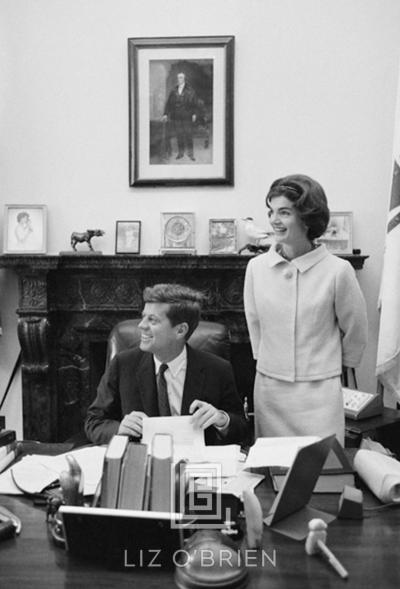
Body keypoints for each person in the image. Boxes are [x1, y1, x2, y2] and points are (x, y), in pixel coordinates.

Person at [243, 174, 368, 444]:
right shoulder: (256, 268)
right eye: (272, 211)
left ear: (307, 217)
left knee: (324, 475)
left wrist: (329, 367)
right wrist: (269, 361)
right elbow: (254, 323)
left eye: (284, 212)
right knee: (271, 475)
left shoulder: (338, 271)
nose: (275, 220)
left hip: (320, 394)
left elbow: (356, 329)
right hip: (270, 390)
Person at [85, 283, 247, 445]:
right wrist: (120, 428)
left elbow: (241, 428)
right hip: (141, 464)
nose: (141, 325)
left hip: (195, 464)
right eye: (143, 317)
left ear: (180, 330)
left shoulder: (217, 369)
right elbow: (94, 421)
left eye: (152, 320)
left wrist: (221, 419)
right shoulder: (123, 364)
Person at [162, 72, 198, 161]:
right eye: (178, 78)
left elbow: (195, 103)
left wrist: (194, 114)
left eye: (181, 78)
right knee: (179, 135)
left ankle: (191, 154)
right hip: (176, 116)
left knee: (188, 135)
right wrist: (166, 114)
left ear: (184, 79)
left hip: (187, 116)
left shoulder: (190, 90)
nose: (179, 79)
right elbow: (169, 103)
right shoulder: (173, 90)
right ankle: (181, 153)